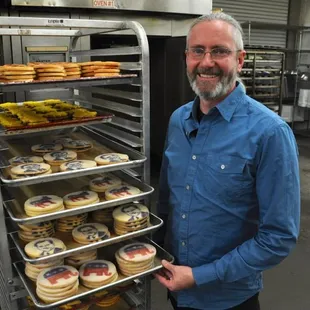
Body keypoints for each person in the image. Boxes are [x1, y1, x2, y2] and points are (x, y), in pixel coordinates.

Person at [154, 12, 300, 310]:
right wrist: (154, 248)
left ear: (240, 60)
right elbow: (167, 201)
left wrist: (200, 276)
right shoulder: (178, 120)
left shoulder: (270, 133)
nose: (206, 62)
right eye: (198, 51)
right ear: (187, 58)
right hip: (174, 287)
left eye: (219, 51)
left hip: (227, 300)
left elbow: (278, 237)